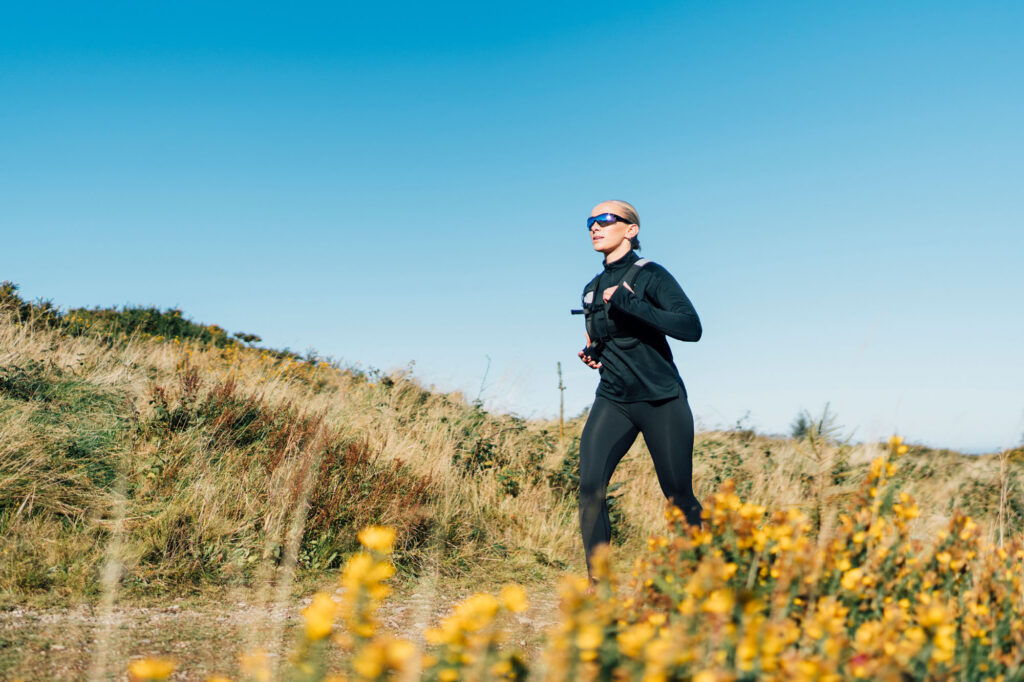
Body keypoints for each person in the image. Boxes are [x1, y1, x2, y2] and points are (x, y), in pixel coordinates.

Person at [575, 199, 703, 576]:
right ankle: (600, 584)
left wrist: (632, 303)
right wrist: (593, 350)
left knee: (678, 494)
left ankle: (698, 579)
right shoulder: (591, 288)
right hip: (613, 399)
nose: (595, 227)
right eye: (590, 222)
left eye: (605, 219)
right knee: (590, 488)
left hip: (661, 399)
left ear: (631, 229)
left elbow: (690, 328)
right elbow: (610, 337)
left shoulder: (650, 274)